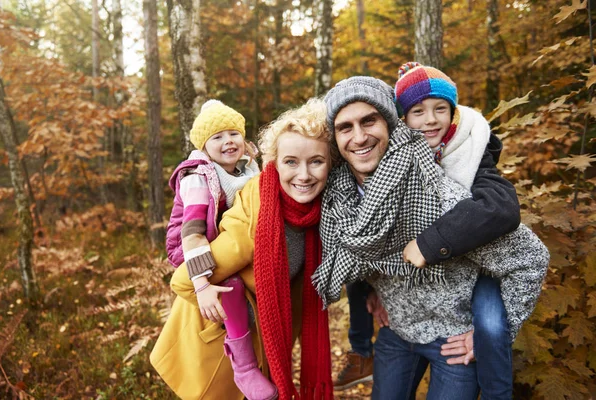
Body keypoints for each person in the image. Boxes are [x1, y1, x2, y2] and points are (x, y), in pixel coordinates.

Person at [313, 76, 549, 399]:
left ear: (391, 125)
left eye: (369, 121)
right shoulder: (337, 200)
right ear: (335, 139)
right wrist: (370, 288)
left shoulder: (436, 195)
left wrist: (487, 334)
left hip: (453, 341)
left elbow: (531, 258)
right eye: (345, 127)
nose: (359, 136)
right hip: (395, 332)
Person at [151, 98, 334, 400]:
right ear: (275, 163)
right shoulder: (254, 213)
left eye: (316, 161)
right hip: (222, 350)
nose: (304, 174)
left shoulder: (317, 215)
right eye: (291, 162)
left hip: (269, 346)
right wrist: (213, 293)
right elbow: (182, 278)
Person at [395, 61, 515, 399]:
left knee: (490, 325)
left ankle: (497, 394)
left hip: (481, 264)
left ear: (453, 112)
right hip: (427, 286)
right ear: (403, 118)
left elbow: (501, 208)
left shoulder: (472, 151)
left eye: (440, 109)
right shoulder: (397, 156)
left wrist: (431, 242)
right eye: (417, 111)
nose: (430, 119)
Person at [163, 99, 274, 399]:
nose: (228, 141)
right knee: (231, 286)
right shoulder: (198, 177)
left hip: (223, 240)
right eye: (217, 137)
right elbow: (193, 234)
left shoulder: (247, 167)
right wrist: (200, 285)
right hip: (192, 247)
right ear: (204, 145)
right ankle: (245, 367)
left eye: (233, 133)